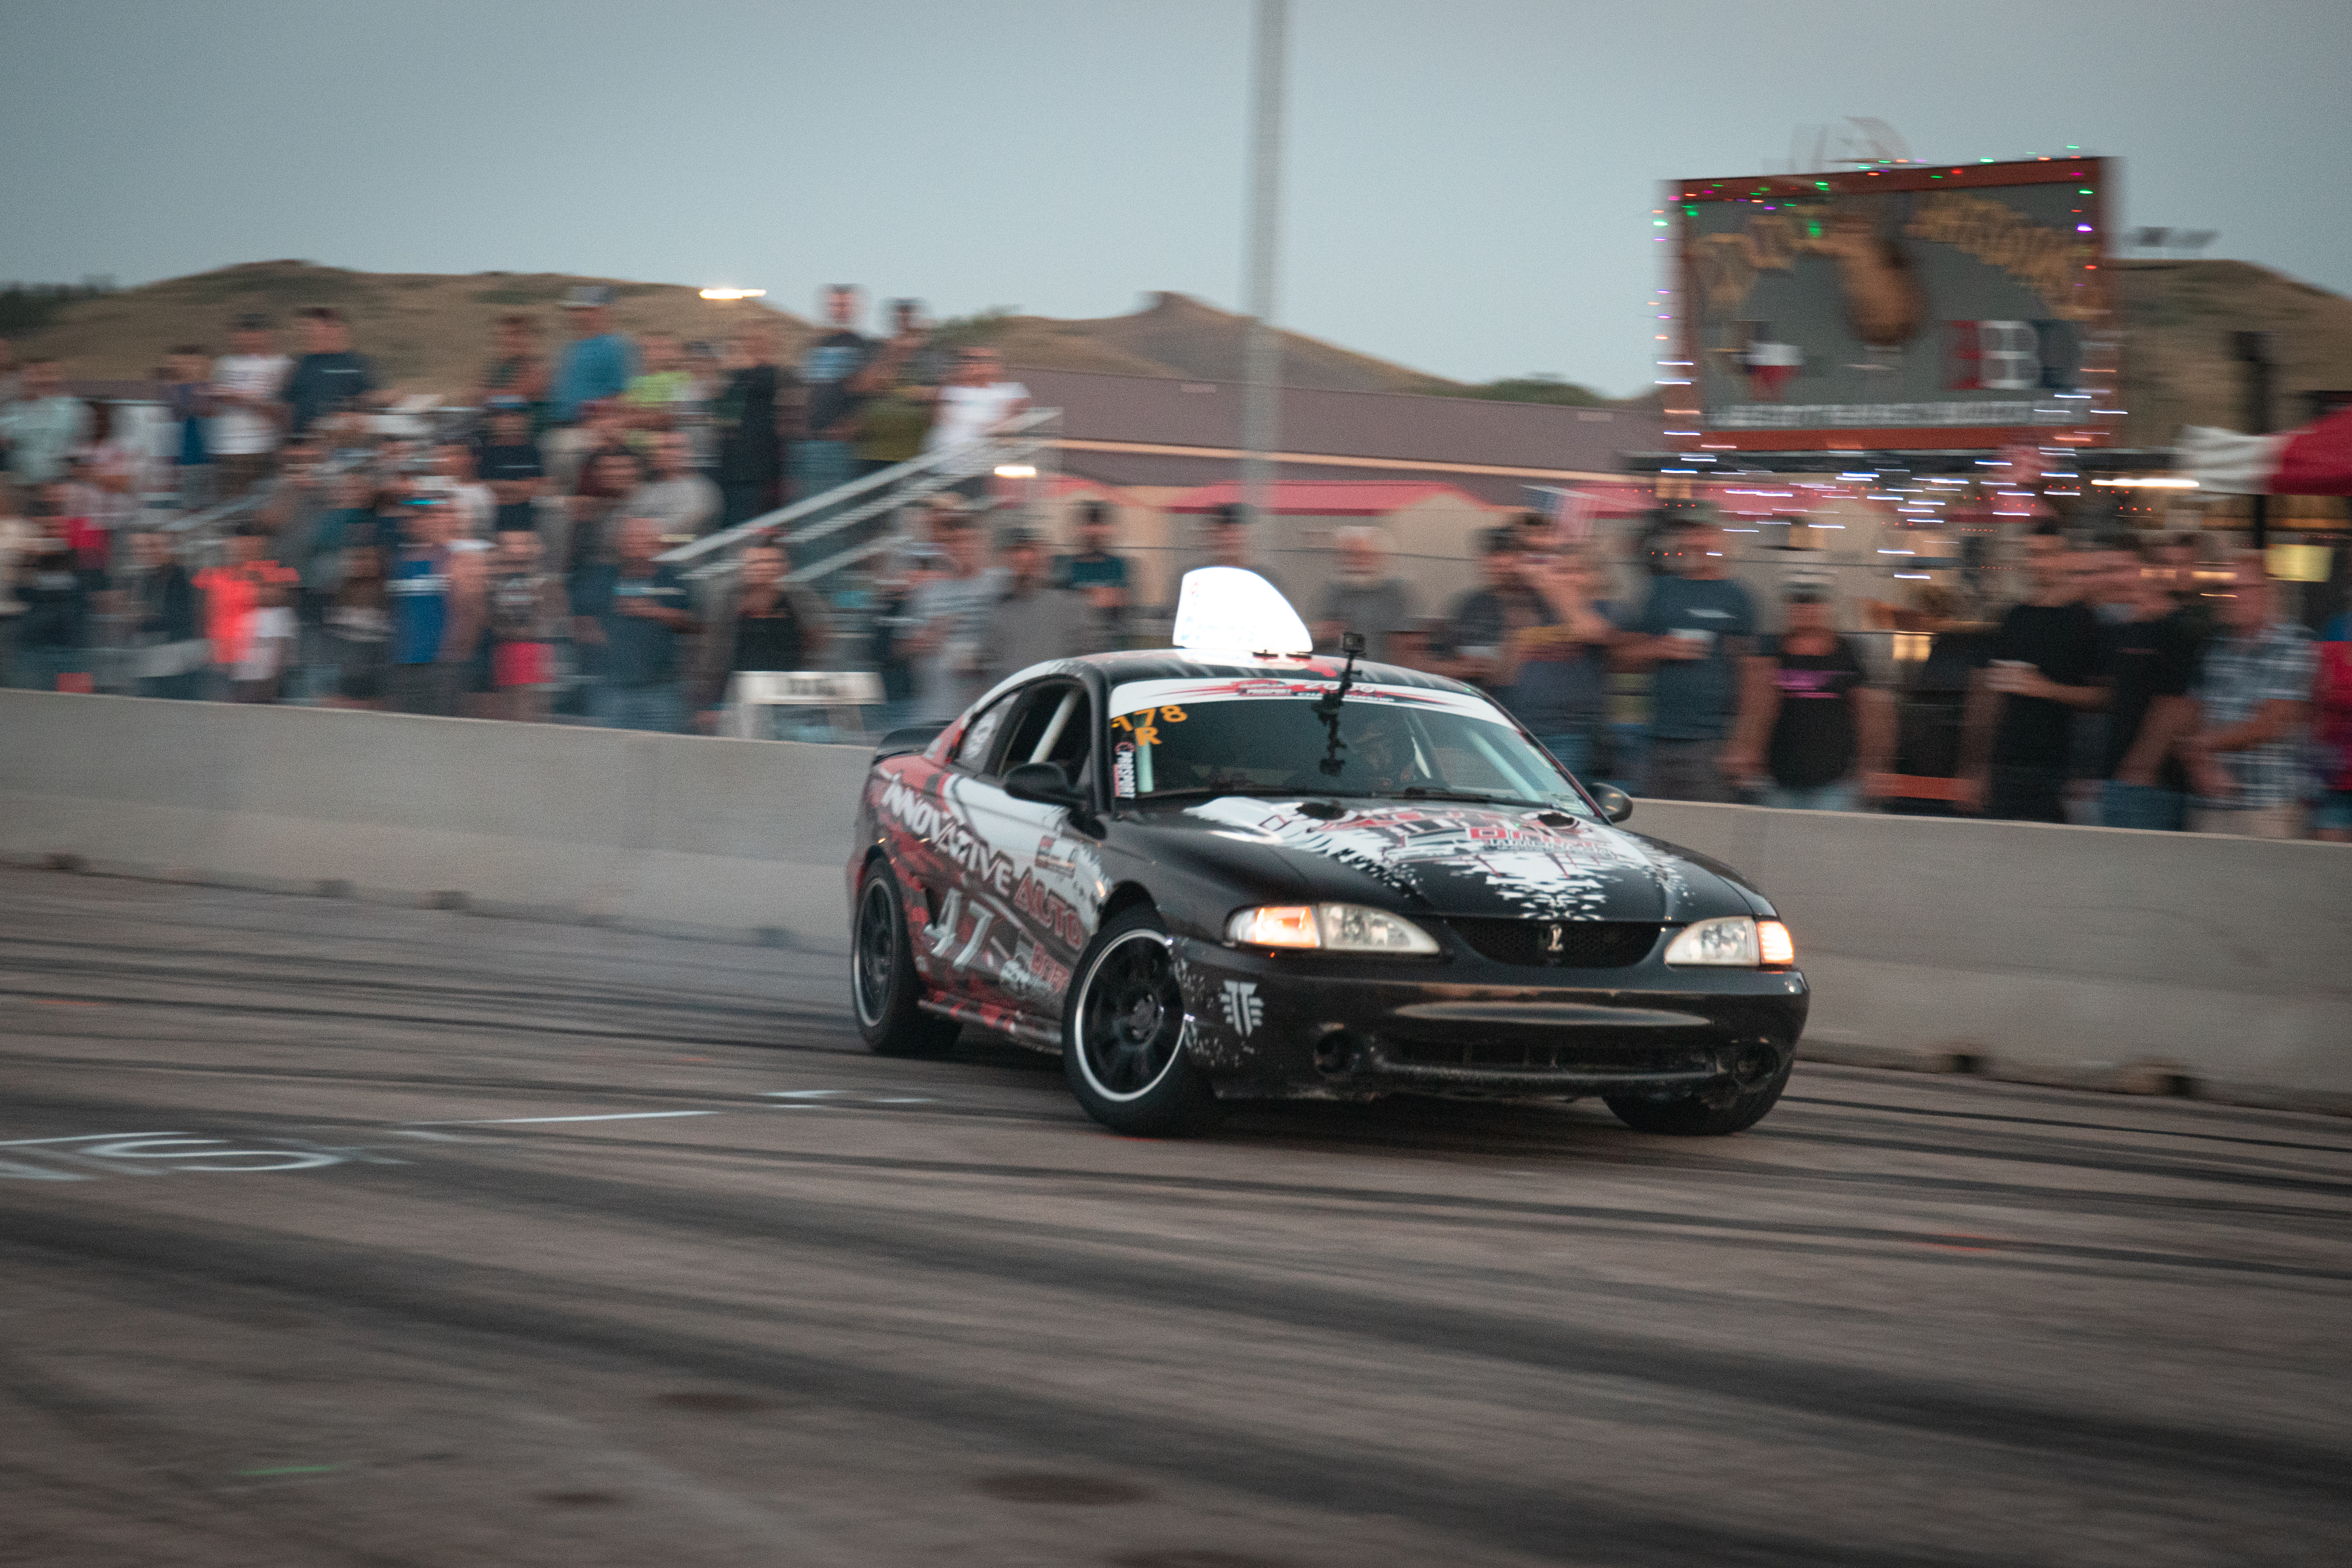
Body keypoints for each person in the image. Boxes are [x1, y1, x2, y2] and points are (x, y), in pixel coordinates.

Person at [1958, 526, 2106, 822]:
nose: (2038, 563)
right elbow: (1988, 693)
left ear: (2068, 559)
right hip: (2007, 762)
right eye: (2032, 554)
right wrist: (1974, 767)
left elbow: (2104, 697)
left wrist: (2047, 689)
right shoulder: (2016, 617)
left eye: (2047, 554)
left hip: (2061, 767)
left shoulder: (2086, 621)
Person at [2178, 554, 2316, 839]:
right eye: (2226, 589)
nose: (2232, 597)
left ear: (2266, 592)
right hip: (2211, 804)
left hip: (2266, 807)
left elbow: (2270, 724)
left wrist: (2201, 746)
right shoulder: (2217, 646)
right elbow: (2192, 712)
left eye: (2242, 588)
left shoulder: (2292, 646)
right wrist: (2199, 761)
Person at [1622, 522, 1759, 801]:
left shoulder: (1738, 597)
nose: (1699, 541)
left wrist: (1742, 743)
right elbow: (1624, 656)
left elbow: (1753, 676)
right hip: (1657, 738)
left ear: (1723, 541)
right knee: (1657, 828)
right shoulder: (1661, 591)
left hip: (1713, 743)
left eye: (1707, 533)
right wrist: (1658, 648)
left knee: (1707, 830)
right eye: (1692, 533)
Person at [1722, 588, 1893, 810]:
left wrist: (1873, 766)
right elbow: (1753, 707)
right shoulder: (1772, 650)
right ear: (1789, 609)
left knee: (1829, 845)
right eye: (1799, 603)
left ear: (1827, 608)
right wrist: (1743, 748)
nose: (1806, 610)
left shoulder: (1847, 652)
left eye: (1814, 603)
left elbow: (1870, 710)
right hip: (1778, 782)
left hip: (1836, 784)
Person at [2091, 537, 2202, 832]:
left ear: (2148, 571)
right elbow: (2110, 697)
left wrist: (2140, 768)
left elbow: (2183, 705)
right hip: (2117, 777)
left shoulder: (2180, 628)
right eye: (2110, 570)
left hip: (2158, 782)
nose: (2116, 578)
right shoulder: (2118, 629)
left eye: (2125, 569)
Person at [1500, 549, 1623, 779]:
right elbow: (1507, 673)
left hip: (1572, 735)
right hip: (1523, 731)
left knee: (1562, 809)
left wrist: (1553, 590)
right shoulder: (1535, 611)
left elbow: (1592, 632)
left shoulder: (1602, 609)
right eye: (1560, 571)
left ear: (1593, 578)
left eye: (1575, 571)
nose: (1565, 578)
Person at [570, 514, 699, 733]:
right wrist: (608, 644)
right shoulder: (602, 578)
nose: (637, 542)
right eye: (631, 537)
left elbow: (695, 625)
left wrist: (655, 612)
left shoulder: (672, 579)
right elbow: (580, 620)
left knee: (664, 758)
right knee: (610, 757)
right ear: (620, 542)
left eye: (643, 537)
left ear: (656, 543)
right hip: (611, 690)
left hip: (662, 689)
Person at [693, 539, 830, 730]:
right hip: (738, 699)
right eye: (757, 563)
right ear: (744, 568)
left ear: (785, 566)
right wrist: (708, 705)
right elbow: (712, 657)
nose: (765, 568)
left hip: (788, 699)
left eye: (773, 562)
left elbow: (819, 644)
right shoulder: (727, 602)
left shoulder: (800, 600)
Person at [384, 500, 484, 717]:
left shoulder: (458, 562)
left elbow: (472, 612)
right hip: (404, 662)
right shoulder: (399, 563)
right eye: (414, 517)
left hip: (442, 664)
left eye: (429, 516)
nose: (420, 523)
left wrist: (456, 654)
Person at [977, 527, 1113, 685]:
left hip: (1057, 699)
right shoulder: (1000, 609)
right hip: (1013, 702)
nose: (1021, 559)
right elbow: (988, 661)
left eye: (1029, 552)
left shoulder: (1070, 603)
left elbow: (1093, 657)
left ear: (1044, 558)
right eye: (1015, 553)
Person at [904, 509, 1005, 721]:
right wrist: (922, 642)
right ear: (946, 549)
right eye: (956, 542)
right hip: (936, 711)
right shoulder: (928, 592)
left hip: (986, 710)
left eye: (970, 540)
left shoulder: (1000, 585)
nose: (964, 548)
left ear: (982, 544)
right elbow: (907, 650)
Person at [194, 524, 296, 699]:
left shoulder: (274, 575)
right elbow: (203, 615)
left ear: (261, 547)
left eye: (250, 547)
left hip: (256, 665)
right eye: (238, 546)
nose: (242, 551)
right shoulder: (215, 577)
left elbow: (279, 604)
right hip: (221, 662)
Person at [484, 528, 566, 722]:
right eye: (510, 545)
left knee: (528, 713)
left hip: (533, 651)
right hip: (503, 650)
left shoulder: (545, 582)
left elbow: (550, 618)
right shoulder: (497, 581)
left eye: (523, 544)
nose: (516, 550)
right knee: (507, 713)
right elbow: (491, 618)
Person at [713, 324, 791, 527]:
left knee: (747, 527)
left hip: (758, 470)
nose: (752, 345)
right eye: (749, 340)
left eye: (758, 341)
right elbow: (720, 409)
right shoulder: (737, 376)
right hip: (731, 467)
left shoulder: (775, 375)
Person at [850, 300, 937, 476]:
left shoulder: (932, 357)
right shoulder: (874, 350)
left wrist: (929, 397)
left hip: (913, 455)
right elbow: (860, 387)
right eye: (900, 320)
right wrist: (891, 355)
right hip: (872, 453)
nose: (904, 325)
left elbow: (938, 402)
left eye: (909, 320)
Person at [924, 345, 1028, 491]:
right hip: (942, 467)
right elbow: (936, 420)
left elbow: (1012, 421)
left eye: (981, 360)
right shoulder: (949, 391)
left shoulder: (1007, 392)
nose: (971, 364)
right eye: (966, 359)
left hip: (979, 470)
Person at [208, 316, 289, 498]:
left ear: (269, 335)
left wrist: (242, 399)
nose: (250, 337)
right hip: (227, 448)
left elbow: (284, 412)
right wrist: (210, 397)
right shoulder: (224, 364)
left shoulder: (281, 364)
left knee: (263, 505)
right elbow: (211, 409)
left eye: (257, 332)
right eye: (244, 332)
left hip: (264, 447)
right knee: (230, 509)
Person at [121, 529, 208, 699]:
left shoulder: (183, 578)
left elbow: (178, 618)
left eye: (154, 547)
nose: (148, 553)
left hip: (177, 660)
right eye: (142, 548)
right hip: (156, 658)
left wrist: (144, 620)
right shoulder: (146, 579)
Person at [8, 530, 99, 692]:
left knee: (70, 705)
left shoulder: (76, 582)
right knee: (40, 702)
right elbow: (18, 591)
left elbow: (18, 591)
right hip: (48, 649)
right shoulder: (45, 584)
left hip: (65, 650)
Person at [1311, 526, 1417, 663]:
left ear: (1380, 558)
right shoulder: (1332, 592)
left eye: (1362, 555)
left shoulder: (1395, 594)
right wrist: (1319, 634)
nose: (1354, 561)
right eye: (1347, 554)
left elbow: (1405, 648)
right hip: (1335, 675)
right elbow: (1312, 639)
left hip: (1378, 677)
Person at [281, 307, 382, 438]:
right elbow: (287, 406)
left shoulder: (356, 363)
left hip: (341, 441)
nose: (310, 333)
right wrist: (287, 441)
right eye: (308, 329)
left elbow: (373, 398)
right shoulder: (298, 365)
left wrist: (352, 412)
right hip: (301, 444)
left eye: (316, 328)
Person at [0, 359, 92, 492]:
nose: (42, 380)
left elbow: (83, 453)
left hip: (62, 487)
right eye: (35, 375)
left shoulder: (74, 409)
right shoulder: (13, 411)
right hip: (22, 487)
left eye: (50, 373)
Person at [550, 286, 636, 425]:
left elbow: (624, 394)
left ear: (600, 312)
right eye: (574, 311)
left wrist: (593, 417)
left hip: (593, 428)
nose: (576, 316)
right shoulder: (569, 349)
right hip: (561, 425)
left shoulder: (616, 346)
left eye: (583, 310)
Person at [322, 543, 391, 709]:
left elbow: (387, 650)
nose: (363, 564)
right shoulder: (339, 593)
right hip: (344, 679)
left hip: (376, 680)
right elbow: (331, 645)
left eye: (368, 559)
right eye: (358, 559)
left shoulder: (388, 595)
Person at [475, 397, 547, 543]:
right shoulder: (482, 453)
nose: (508, 419)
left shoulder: (533, 451)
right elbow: (480, 490)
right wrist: (517, 487)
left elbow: (537, 489)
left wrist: (501, 489)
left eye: (514, 414)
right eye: (501, 415)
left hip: (527, 529)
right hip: (490, 529)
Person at [627, 430, 722, 540]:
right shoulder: (646, 489)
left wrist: (649, 532)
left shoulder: (702, 491)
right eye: (663, 448)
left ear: (691, 453)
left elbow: (684, 530)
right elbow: (627, 526)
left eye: (676, 447)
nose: (669, 453)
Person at [1194, 502, 1292, 608]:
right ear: (1214, 534)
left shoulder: (1266, 580)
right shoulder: (1197, 579)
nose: (1233, 537)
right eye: (1227, 530)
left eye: (1239, 530)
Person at [162, 346, 216, 513]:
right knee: (190, 505)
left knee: (208, 505)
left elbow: (205, 411)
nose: (189, 367)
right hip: (189, 455)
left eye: (194, 364)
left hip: (208, 455)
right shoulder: (179, 389)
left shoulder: (207, 388)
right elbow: (178, 415)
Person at [469, 314, 551, 424]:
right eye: (506, 335)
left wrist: (487, 395)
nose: (511, 341)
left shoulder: (536, 368)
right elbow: (473, 395)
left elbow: (520, 394)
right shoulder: (495, 369)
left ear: (529, 338)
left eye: (516, 335)